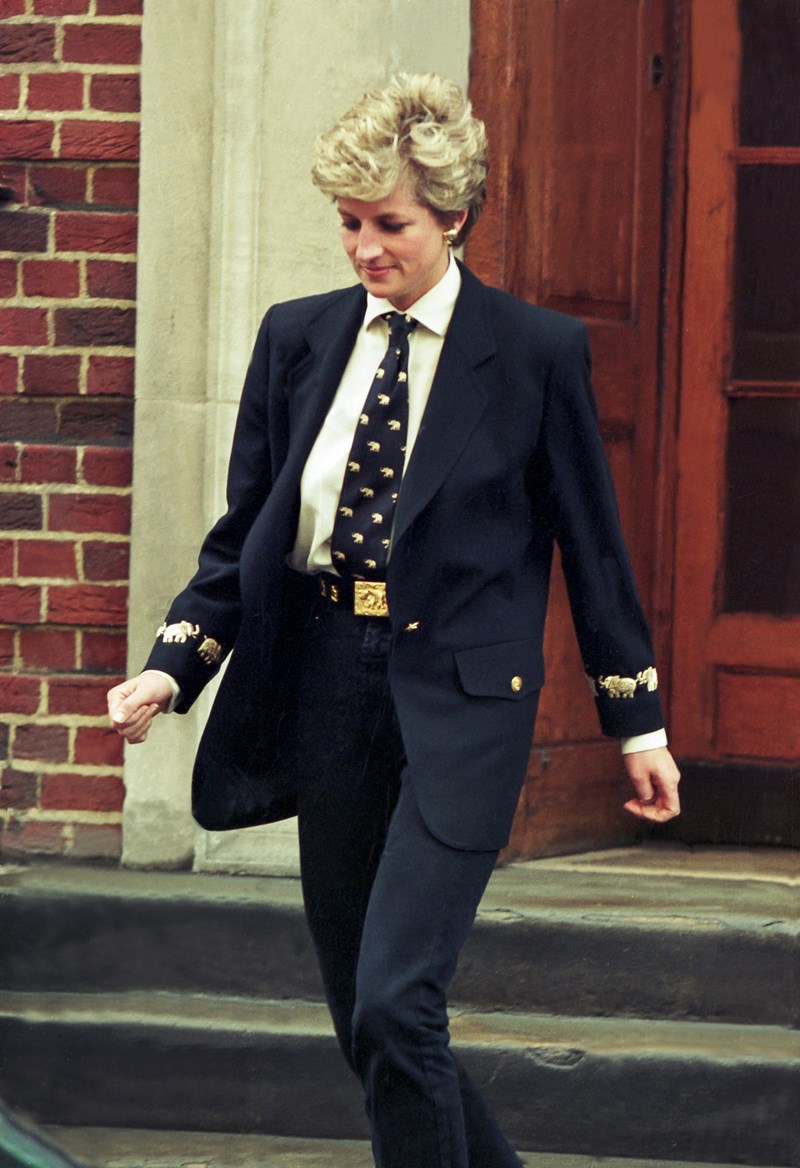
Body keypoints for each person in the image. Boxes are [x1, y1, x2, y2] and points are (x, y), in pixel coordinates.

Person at [108, 73, 680, 1168]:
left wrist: (636, 724)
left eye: (390, 225)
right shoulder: (296, 339)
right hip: (328, 682)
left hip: (463, 702)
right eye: (349, 223)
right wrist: (172, 668)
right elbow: (248, 537)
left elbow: (594, 551)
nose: (365, 248)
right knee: (366, 1020)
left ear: (452, 217)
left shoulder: (534, 352)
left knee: (394, 1000)